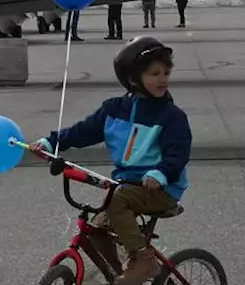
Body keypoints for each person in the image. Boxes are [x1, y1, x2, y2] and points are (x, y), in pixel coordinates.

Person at [29, 36, 191, 285]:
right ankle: (123, 275)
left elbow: (178, 153)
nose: (163, 79)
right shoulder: (114, 109)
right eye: (154, 73)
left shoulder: (171, 116)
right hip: (127, 187)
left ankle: (143, 261)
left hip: (161, 188)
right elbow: (84, 130)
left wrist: (160, 173)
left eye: (166, 72)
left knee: (117, 201)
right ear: (132, 78)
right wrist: (53, 142)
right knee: (94, 230)